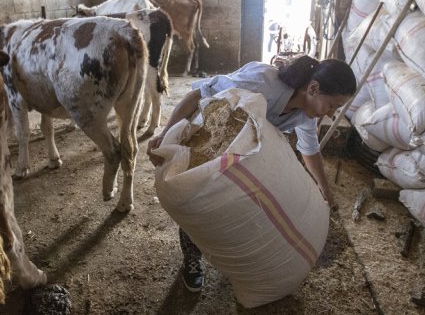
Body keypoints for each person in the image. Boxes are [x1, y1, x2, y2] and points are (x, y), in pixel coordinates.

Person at [146, 54, 357, 293]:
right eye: (332, 106)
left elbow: (310, 149)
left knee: (231, 204)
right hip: (209, 138)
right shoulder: (262, 83)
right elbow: (196, 96)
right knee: (199, 196)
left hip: (242, 150)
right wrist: (164, 135)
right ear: (314, 88)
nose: (330, 114)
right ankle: (192, 260)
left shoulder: (305, 114)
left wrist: (324, 188)